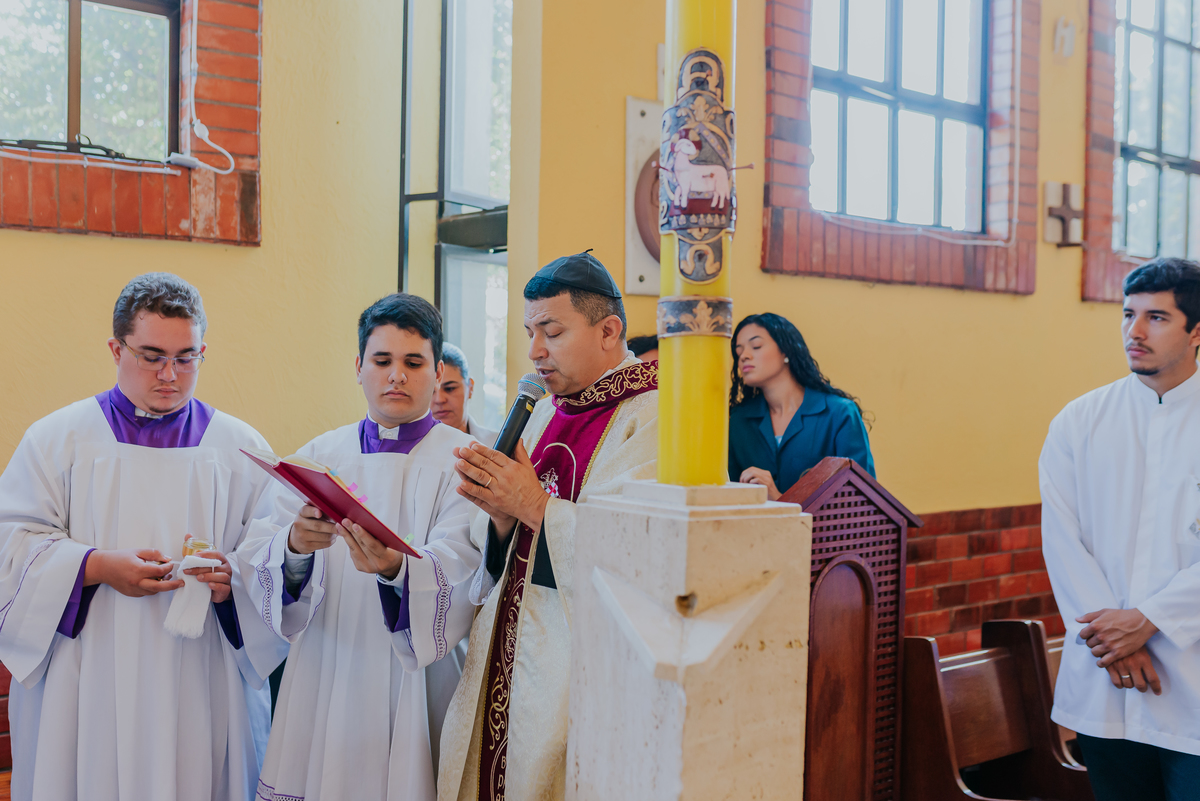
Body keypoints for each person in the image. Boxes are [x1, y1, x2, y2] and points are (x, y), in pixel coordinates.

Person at [0, 273, 285, 801]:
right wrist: (95, 566)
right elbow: (10, 545)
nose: (170, 375)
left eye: (187, 357)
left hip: (201, 677)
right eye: (152, 355)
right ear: (115, 348)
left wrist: (232, 580)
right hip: (87, 675)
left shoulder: (239, 449)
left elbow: (271, 561)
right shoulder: (58, 439)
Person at [437, 251, 659, 801]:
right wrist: (499, 517)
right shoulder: (542, 411)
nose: (535, 351)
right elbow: (508, 544)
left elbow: (645, 553)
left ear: (609, 330)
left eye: (552, 332)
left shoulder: (654, 417)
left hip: (583, 671)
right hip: (511, 652)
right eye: (531, 332)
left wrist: (537, 508)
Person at [245, 293, 482, 801]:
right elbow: (260, 554)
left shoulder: (465, 463)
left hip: (416, 677)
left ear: (437, 370)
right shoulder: (318, 456)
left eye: (413, 362)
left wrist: (398, 570)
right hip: (327, 665)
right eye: (382, 361)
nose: (396, 375)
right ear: (358, 367)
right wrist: (294, 550)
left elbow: (465, 566)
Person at [1040, 257, 1200, 801]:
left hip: (1193, 680)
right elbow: (1063, 542)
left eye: (1157, 317)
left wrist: (1151, 619)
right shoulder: (1078, 422)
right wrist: (1115, 640)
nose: (1134, 331)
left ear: (1197, 330)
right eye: (1128, 314)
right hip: (1106, 678)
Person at [728, 312, 874, 500]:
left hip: (824, 530)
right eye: (739, 352)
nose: (744, 357)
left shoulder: (839, 413)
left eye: (756, 346)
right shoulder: (739, 420)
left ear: (785, 351)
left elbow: (862, 501)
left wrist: (779, 499)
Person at [432, 343, 498, 446]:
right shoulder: (404, 452)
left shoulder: (499, 446)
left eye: (449, 389)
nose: (439, 399)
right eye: (431, 391)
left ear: (470, 388)